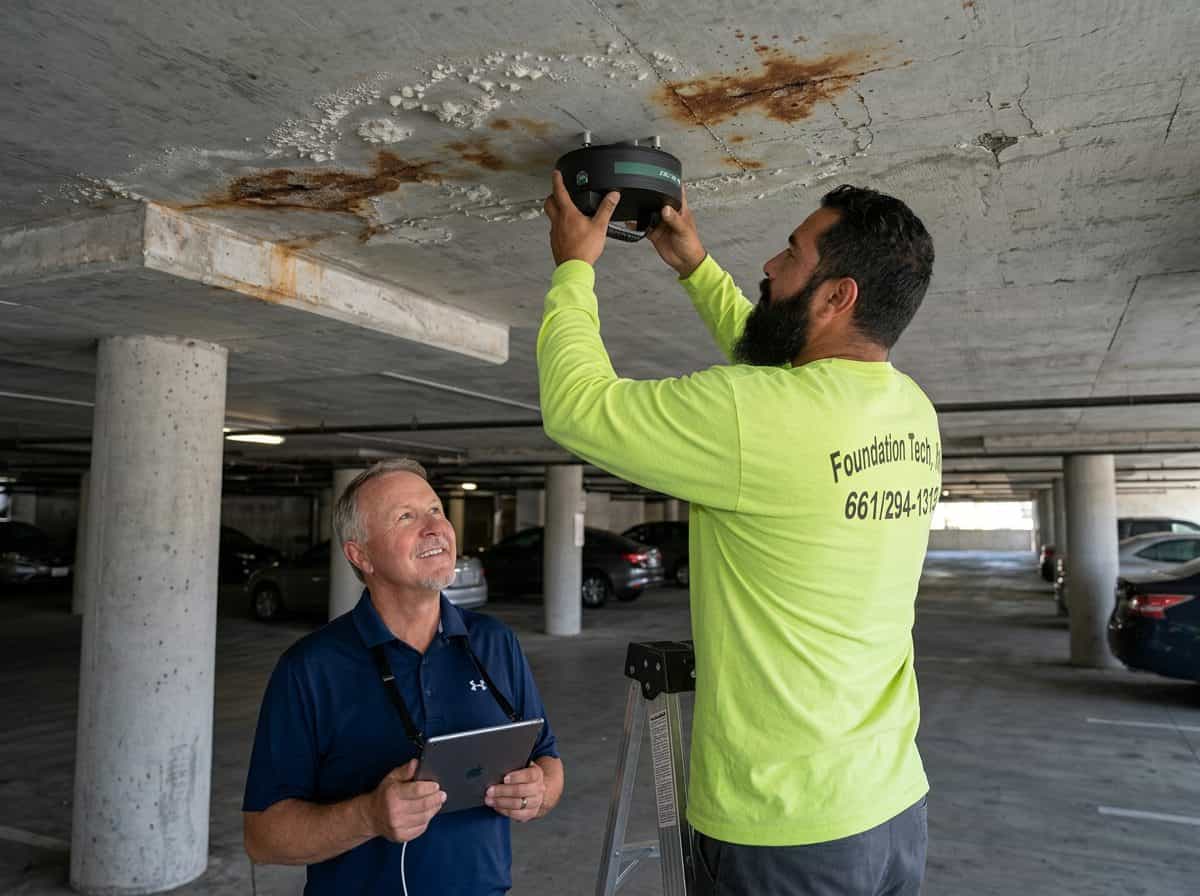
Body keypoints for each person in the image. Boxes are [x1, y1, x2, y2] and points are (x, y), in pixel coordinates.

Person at [538, 174, 937, 895]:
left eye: (792, 253)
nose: (771, 268)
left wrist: (574, 267)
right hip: (891, 804)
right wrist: (695, 265)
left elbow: (576, 408)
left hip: (785, 827)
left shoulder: (754, 415)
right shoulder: (910, 410)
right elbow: (782, 375)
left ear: (837, 294)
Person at [242, 458, 563, 895]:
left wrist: (538, 792)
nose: (434, 527)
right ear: (361, 554)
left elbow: (548, 759)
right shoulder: (310, 668)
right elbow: (262, 837)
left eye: (435, 510)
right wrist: (368, 817)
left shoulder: (495, 642)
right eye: (406, 517)